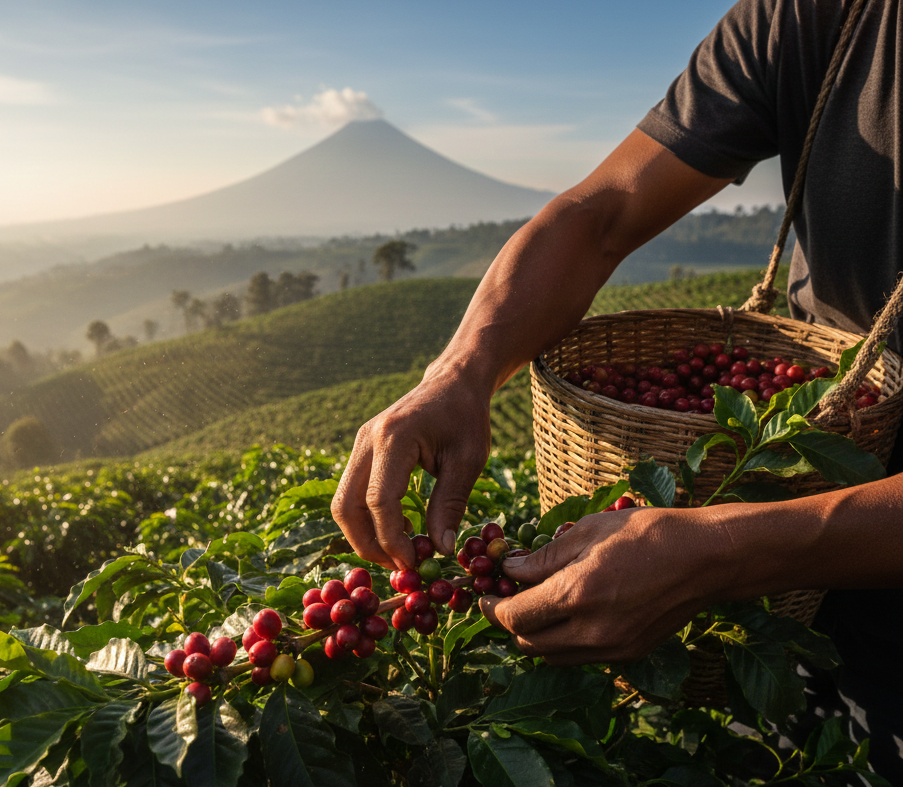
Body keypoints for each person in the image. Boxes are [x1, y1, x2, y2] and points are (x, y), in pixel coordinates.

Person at [332, 0, 903, 777]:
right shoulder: (820, 18)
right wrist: (461, 370)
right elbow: (601, 212)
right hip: (795, 585)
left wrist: (730, 549)